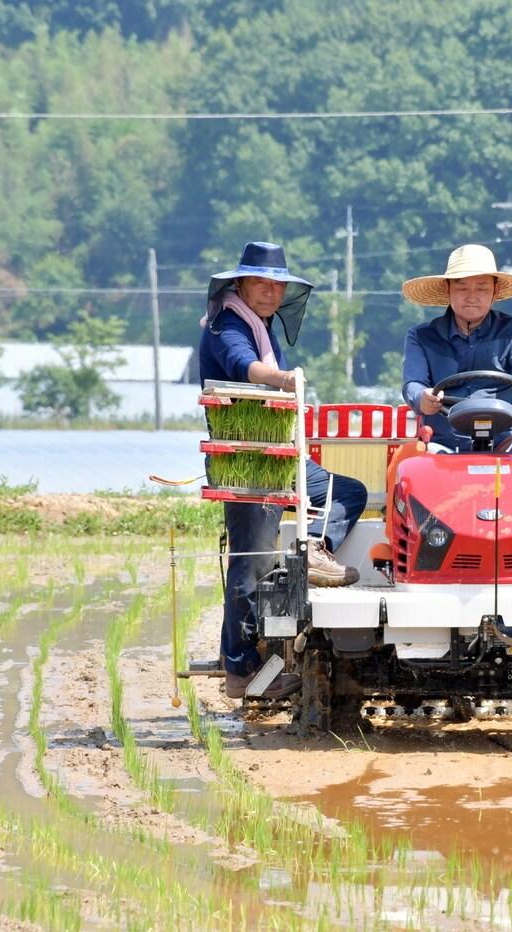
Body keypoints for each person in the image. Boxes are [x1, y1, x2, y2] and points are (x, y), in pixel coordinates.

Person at [199, 241, 368, 700]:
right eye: (261, 283)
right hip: (247, 461)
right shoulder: (227, 323)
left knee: (346, 491)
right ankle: (241, 670)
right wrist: (283, 379)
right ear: (240, 284)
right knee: (251, 564)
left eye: (277, 285)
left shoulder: (261, 324)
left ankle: (316, 544)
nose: (271, 293)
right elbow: (241, 366)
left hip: (281, 456)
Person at [400, 244, 512, 452]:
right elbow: (413, 384)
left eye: (482, 288)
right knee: (407, 459)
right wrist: (423, 397)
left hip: (507, 443)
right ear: (447, 290)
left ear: (495, 291)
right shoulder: (421, 336)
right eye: (462, 287)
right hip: (442, 446)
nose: (472, 296)